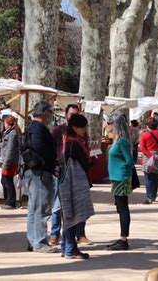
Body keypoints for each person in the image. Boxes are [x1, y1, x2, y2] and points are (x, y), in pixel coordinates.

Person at [50, 104, 92, 246]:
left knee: (78, 206)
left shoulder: (82, 134)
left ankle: (80, 234)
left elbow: (86, 150)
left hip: (78, 176)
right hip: (62, 174)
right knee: (59, 206)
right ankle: (55, 234)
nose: (73, 116)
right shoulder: (59, 131)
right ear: (66, 115)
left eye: (76, 114)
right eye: (71, 114)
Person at [23, 101, 59, 253]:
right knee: (41, 209)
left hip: (36, 172)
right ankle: (39, 241)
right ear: (45, 113)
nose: (51, 116)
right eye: (50, 113)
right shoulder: (38, 128)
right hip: (40, 172)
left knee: (34, 209)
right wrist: (51, 157)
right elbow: (38, 146)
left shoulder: (33, 127)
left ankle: (33, 240)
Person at [59, 114, 94, 259]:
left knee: (68, 215)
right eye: (83, 127)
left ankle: (66, 247)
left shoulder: (68, 140)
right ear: (75, 127)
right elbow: (83, 163)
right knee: (72, 214)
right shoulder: (73, 143)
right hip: (73, 184)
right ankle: (70, 249)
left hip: (68, 183)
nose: (85, 130)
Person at [106, 113, 135, 251]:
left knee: (123, 208)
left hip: (121, 178)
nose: (107, 125)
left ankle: (123, 239)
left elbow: (129, 160)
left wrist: (122, 171)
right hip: (116, 177)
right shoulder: (117, 140)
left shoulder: (122, 141)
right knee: (120, 207)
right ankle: (122, 238)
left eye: (109, 122)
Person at [0, 115, 20, 209]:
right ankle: (8, 200)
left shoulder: (12, 133)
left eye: (4, 122)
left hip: (10, 161)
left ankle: (11, 202)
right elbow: (4, 145)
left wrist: (6, 164)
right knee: (4, 181)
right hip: (7, 160)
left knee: (7, 181)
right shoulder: (8, 133)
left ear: (7, 123)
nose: (3, 124)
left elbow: (10, 149)